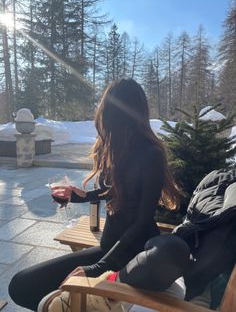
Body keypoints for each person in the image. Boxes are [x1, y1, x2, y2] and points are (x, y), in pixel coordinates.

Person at [9, 79, 190, 311]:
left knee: (30, 289)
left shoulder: (151, 153)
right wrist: (78, 196)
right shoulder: (113, 147)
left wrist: (98, 268)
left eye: (104, 110)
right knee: (21, 286)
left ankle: (86, 300)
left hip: (132, 255)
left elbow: (142, 221)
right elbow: (114, 191)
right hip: (107, 248)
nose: (100, 117)